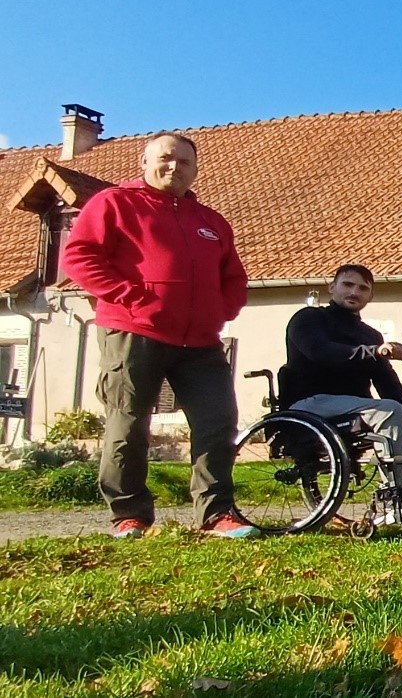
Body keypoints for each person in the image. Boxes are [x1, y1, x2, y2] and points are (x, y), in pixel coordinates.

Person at [60, 132, 255, 539]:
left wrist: (219, 312)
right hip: (134, 332)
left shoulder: (211, 222)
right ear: (145, 162)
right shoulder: (114, 203)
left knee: (218, 423)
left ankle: (217, 514)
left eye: (185, 162)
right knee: (129, 424)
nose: (174, 167)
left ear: (195, 170)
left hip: (200, 342)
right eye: (166, 159)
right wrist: (130, 296)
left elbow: (234, 278)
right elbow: (79, 256)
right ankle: (129, 515)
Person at [279, 264, 402, 517]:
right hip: (309, 403)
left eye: (363, 288)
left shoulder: (370, 334)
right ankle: (394, 494)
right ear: (332, 288)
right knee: (389, 411)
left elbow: (384, 380)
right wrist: (375, 351)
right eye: (347, 285)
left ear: (371, 297)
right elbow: (321, 352)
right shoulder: (309, 318)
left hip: (353, 407)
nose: (354, 292)